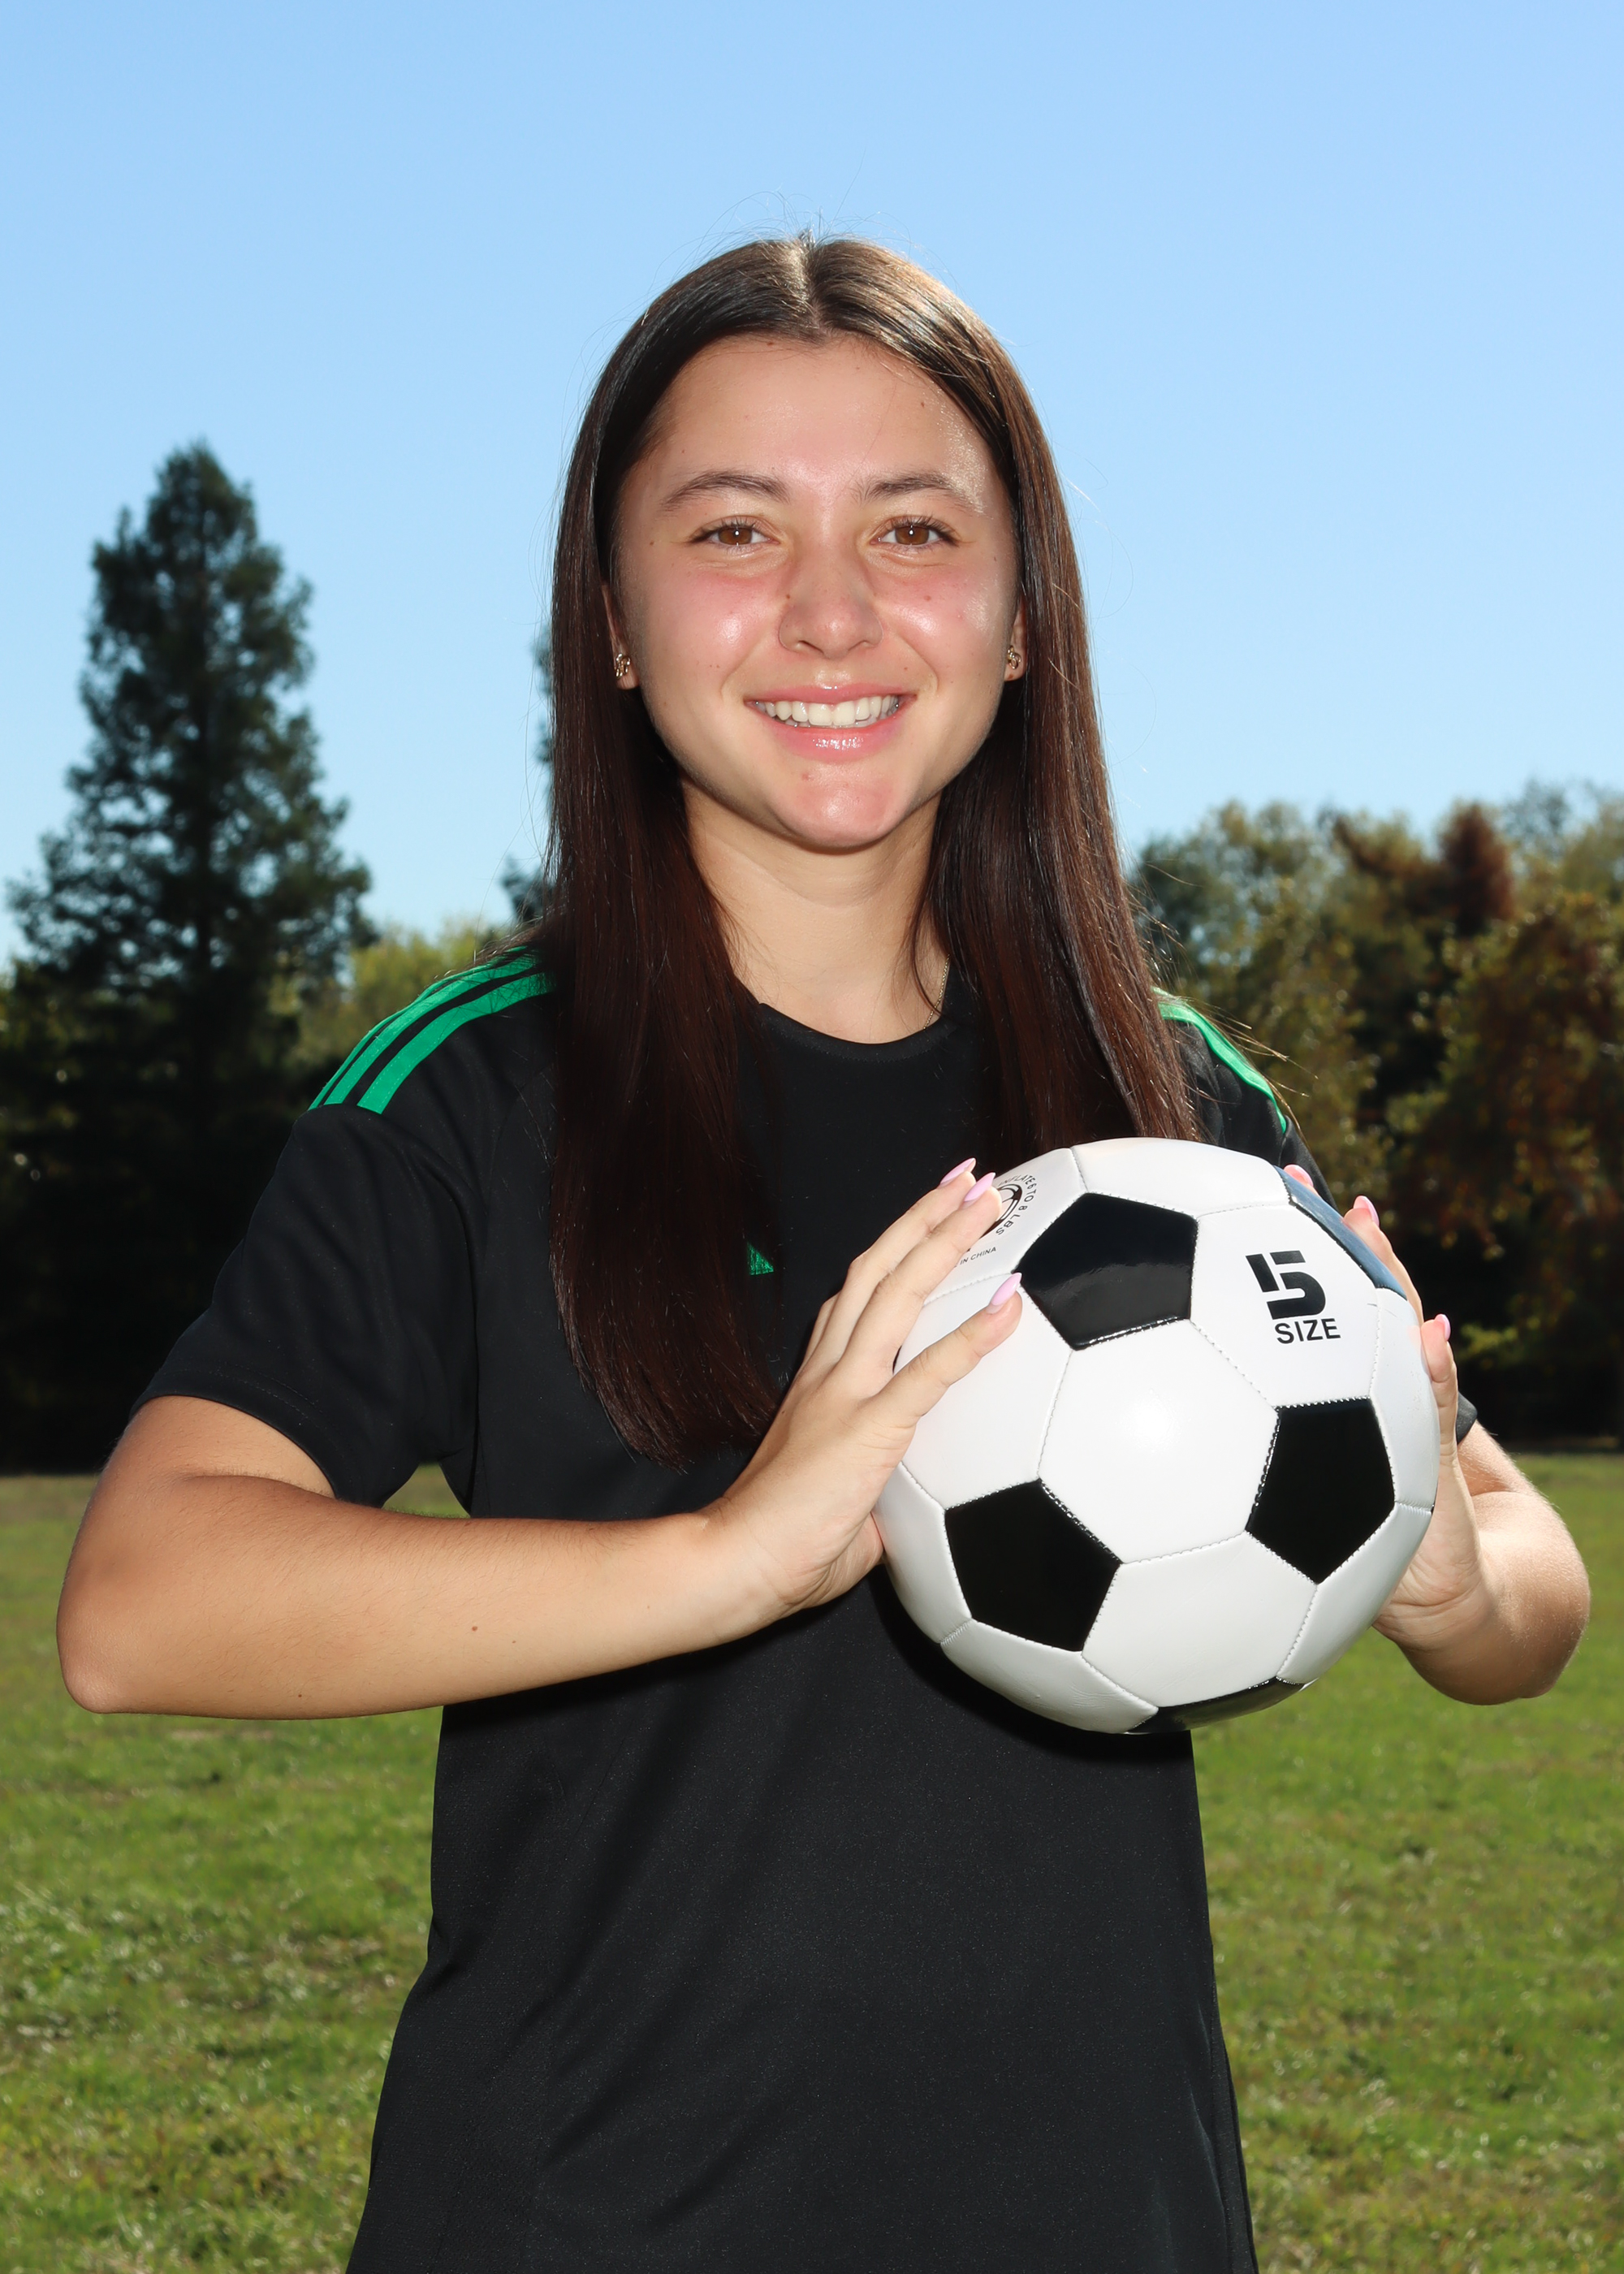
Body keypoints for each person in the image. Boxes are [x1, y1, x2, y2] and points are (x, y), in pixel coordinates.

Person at [57, 235, 1590, 2274]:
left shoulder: (1171, 1110)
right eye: (731, 529)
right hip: (587, 2218)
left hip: (1112, 2217)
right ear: (611, 625)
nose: (831, 608)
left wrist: (1452, 1578)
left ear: (1023, 617)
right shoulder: (476, 1094)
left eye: (914, 527)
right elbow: (141, 1603)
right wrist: (728, 1553)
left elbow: (1528, 1579)